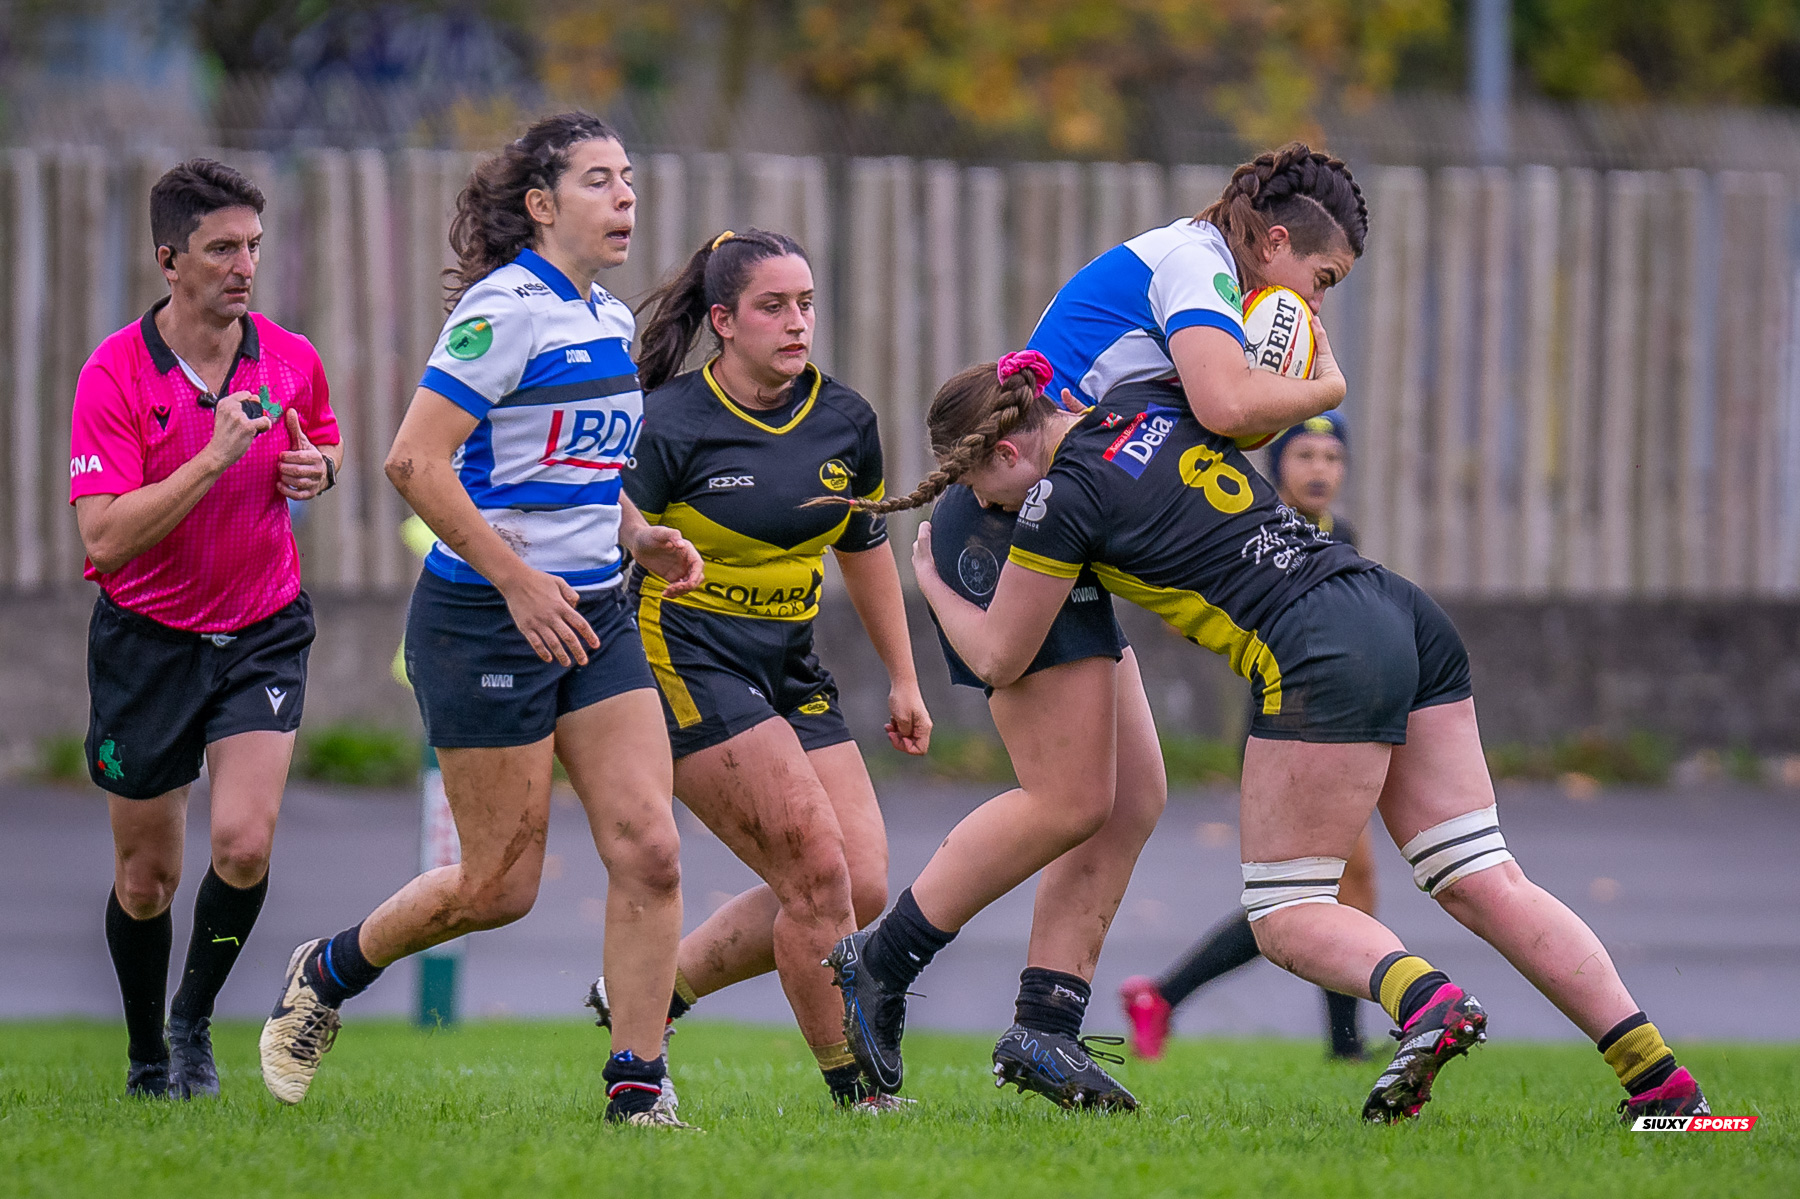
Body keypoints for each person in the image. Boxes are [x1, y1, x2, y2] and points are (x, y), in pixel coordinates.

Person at [837, 142, 1709, 1125]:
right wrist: (1323, 378)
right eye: (1323, 281)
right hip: (1377, 602)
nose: (1319, 303)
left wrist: (927, 587)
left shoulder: (1081, 462)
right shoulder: (1167, 339)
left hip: (1297, 629)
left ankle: (1405, 1002)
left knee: (1266, 894)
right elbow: (1228, 410)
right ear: (1278, 239)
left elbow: (1211, 426)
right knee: (1458, 865)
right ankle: (1660, 1081)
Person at [257, 112, 705, 1128]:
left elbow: (579, 468)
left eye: (629, 177)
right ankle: (327, 969)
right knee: (500, 884)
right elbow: (413, 459)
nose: (627, 196)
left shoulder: (608, 318)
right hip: (486, 619)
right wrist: (515, 580)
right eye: (600, 180)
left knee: (650, 846)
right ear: (543, 205)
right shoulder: (505, 312)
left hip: (594, 612)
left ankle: (636, 1082)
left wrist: (638, 537)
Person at [585, 228, 931, 1112]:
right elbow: (604, 536)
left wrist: (904, 676)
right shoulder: (666, 421)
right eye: (773, 306)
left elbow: (864, 546)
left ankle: (651, 993)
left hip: (790, 662)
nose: (796, 322)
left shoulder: (845, 418)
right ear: (723, 321)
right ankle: (859, 1093)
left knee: (857, 882)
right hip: (685, 655)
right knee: (815, 869)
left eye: (806, 303)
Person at [69, 158, 342, 1099]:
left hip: (262, 626)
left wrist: (317, 471)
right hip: (147, 640)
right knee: (147, 877)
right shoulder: (114, 373)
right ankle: (148, 1052)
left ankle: (193, 1024)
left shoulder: (288, 354)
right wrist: (218, 455)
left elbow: (324, 436)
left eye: (253, 247)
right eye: (222, 248)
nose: (244, 266)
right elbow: (103, 535)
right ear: (169, 259)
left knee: (244, 843)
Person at [1119, 411, 1379, 1062]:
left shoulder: (1338, 532)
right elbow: (1185, 612)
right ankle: (1167, 995)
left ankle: (1340, 1041)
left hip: (1343, 718)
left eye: (1332, 457)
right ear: (1278, 465)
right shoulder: (1254, 526)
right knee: (1302, 894)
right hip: (1286, 723)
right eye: (1306, 456)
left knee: (1343, 883)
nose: (1320, 469)